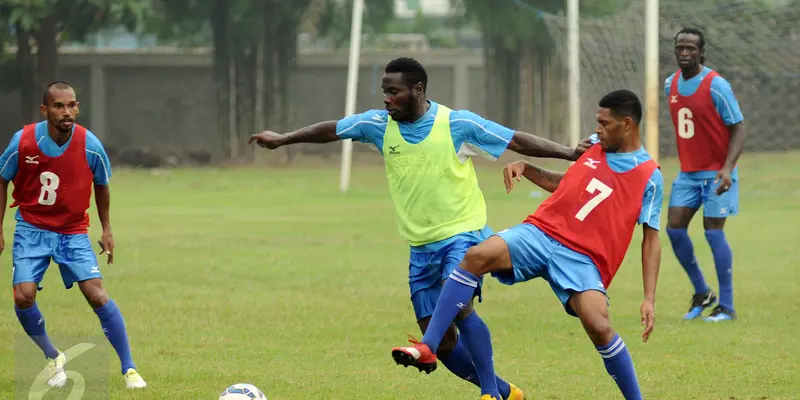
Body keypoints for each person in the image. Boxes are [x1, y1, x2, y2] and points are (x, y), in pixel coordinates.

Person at [250, 57, 589, 400]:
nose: (386, 99)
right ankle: (506, 391)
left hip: (463, 235)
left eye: (393, 92)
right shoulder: (379, 125)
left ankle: (490, 394)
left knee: (460, 305)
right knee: (441, 341)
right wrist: (283, 139)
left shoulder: (457, 124)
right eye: (384, 92)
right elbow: (333, 129)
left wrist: (567, 152)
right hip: (420, 246)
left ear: (418, 90)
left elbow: (514, 139)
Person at [391, 90, 663, 400]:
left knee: (598, 324)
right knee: (477, 255)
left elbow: (651, 241)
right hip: (541, 233)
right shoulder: (595, 146)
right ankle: (429, 347)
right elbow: (569, 185)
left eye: (604, 123)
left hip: (584, 258)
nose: (597, 129)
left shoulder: (649, 176)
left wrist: (649, 298)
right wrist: (527, 168)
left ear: (627, 124)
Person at [0, 81, 146, 389]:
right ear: (45, 110)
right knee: (23, 296)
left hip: (72, 230)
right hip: (31, 227)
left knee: (96, 294)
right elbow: (2, 179)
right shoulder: (23, 141)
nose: (67, 112)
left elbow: (102, 184)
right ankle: (54, 356)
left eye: (72, 105)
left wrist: (106, 229)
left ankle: (129, 368)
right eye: (59, 106)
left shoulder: (90, 144)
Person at [665, 28, 745, 322]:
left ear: (701, 52)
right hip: (688, 173)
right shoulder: (669, 85)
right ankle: (702, 292)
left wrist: (727, 167)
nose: (684, 53)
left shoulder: (716, 85)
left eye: (690, 49)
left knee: (713, 232)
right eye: (680, 48)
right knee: (674, 229)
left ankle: (727, 305)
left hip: (717, 173)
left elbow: (738, 127)